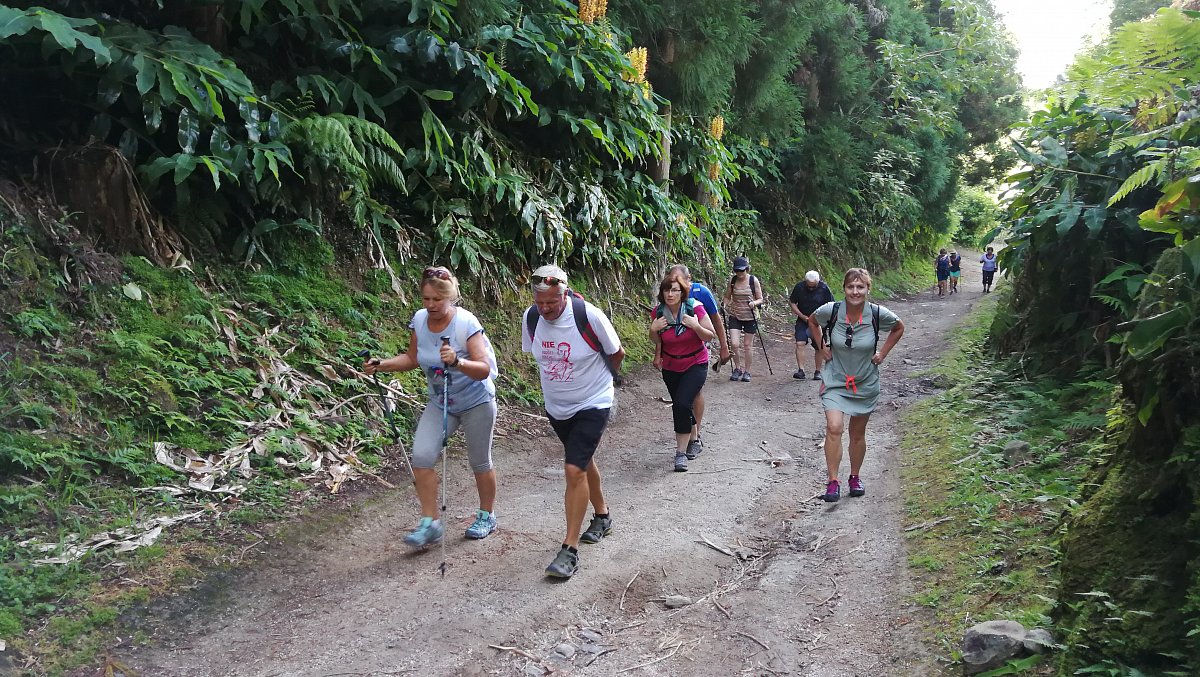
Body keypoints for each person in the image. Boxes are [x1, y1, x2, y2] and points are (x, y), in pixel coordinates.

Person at [364, 266, 499, 547]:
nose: (431, 305)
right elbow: (412, 358)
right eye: (426, 299)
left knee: (479, 461)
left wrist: (458, 362)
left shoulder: (465, 323)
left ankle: (486, 515)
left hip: (476, 401)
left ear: (450, 297)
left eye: (437, 299)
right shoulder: (419, 321)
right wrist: (382, 365)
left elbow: (484, 369)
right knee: (422, 457)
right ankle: (430, 523)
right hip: (441, 403)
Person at [522, 264, 624, 579]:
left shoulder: (588, 316)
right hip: (557, 407)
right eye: (540, 302)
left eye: (552, 302)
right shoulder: (531, 318)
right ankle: (602, 516)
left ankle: (569, 551)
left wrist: (595, 383)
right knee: (581, 460)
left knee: (573, 469)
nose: (545, 308)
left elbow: (617, 353)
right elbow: (537, 356)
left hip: (593, 401)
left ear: (565, 294)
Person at [807, 268, 905, 502]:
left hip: (865, 381)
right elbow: (812, 321)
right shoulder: (832, 310)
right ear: (844, 288)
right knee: (834, 427)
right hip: (835, 380)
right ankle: (833, 482)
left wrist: (883, 353)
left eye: (860, 287)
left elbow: (899, 327)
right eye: (851, 287)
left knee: (857, 433)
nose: (855, 291)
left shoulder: (877, 314)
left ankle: (854, 477)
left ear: (868, 289)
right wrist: (822, 347)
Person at [651, 272, 717, 472]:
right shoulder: (658, 312)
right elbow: (658, 340)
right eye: (666, 290)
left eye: (675, 290)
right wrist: (653, 330)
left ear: (682, 292)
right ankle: (694, 438)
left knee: (681, 404)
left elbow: (710, 335)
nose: (670, 294)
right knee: (683, 405)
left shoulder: (694, 308)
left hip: (696, 363)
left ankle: (680, 453)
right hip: (671, 366)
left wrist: (696, 326)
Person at [666, 263, 730, 460]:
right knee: (683, 399)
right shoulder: (669, 295)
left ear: (689, 279)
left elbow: (715, 319)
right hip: (674, 354)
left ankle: (696, 436)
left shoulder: (701, 293)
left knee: (695, 391)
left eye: (680, 280)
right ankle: (692, 433)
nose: (675, 284)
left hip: (699, 347)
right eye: (672, 280)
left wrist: (724, 346)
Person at [722, 256, 765, 382]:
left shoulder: (753, 280)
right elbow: (727, 297)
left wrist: (754, 303)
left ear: (747, 269)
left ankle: (747, 371)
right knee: (734, 344)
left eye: (742, 270)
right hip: (735, 315)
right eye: (737, 270)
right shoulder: (733, 281)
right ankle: (737, 368)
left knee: (747, 345)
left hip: (750, 316)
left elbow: (760, 299)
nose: (739, 273)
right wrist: (724, 304)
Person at [788, 270, 834, 381]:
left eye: (814, 286)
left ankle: (817, 371)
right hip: (803, 320)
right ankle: (801, 370)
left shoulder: (824, 289)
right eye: (809, 286)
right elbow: (792, 302)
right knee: (800, 343)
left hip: (819, 321)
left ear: (818, 282)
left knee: (819, 346)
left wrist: (826, 320)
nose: (811, 289)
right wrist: (801, 315)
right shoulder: (799, 287)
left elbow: (831, 305)